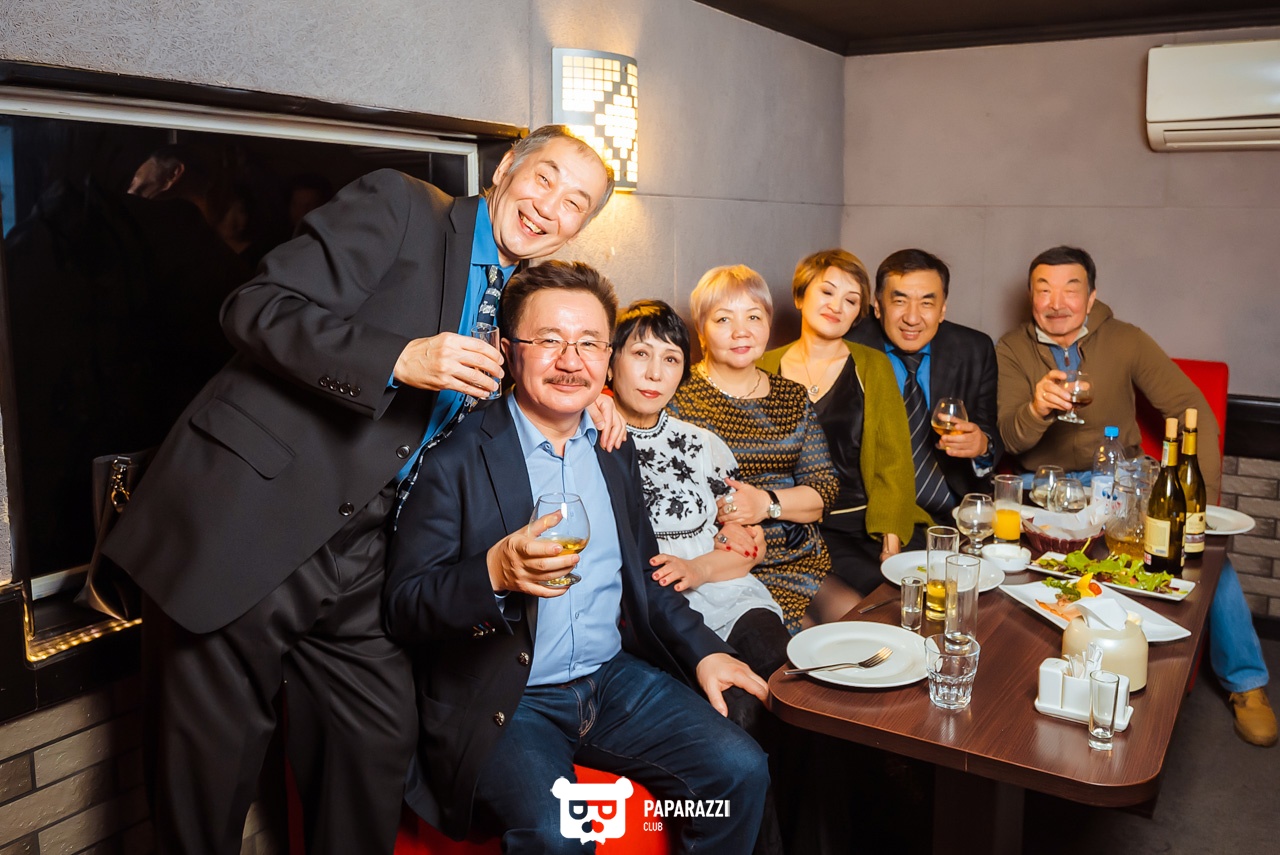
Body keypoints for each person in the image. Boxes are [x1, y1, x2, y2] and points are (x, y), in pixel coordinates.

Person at [102, 126, 620, 855]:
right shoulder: (401, 206)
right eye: (544, 179)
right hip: (250, 520)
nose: (549, 207)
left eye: (575, 204)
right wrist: (397, 358)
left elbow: (522, 385)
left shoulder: (516, 300)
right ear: (506, 167)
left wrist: (592, 400)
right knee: (205, 794)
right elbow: (256, 306)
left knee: (372, 753)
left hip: (369, 554)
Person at [385, 262, 770, 851]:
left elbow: (647, 573)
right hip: (509, 698)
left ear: (607, 357)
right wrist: (493, 573)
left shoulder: (613, 448)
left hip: (611, 680)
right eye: (549, 341)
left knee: (740, 770)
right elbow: (404, 606)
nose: (572, 361)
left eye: (589, 343)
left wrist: (704, 652)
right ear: (507, 350)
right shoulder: (455, 458)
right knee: (557, 833)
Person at [996, 244, 1275, 747]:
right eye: (1043, 290)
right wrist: (1036, 408)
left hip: (1120, 482)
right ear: (1031, 296)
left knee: (1201, 556)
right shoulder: (1011, 349)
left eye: (1071, 289)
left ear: (1091, 296)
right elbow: (1012, 440)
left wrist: (1198, 502)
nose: (1056, 303)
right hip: (1046, 488)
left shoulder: (1125, 339)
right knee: (1004, 555)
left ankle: (1247, 685)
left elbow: (1189, 406)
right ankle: (1018, 678)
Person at [668, 264, 858, 632]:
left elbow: (824, 489)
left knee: (862, 629)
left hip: (798, 555)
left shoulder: (791, 396)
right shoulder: (679, 397)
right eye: (723, 319)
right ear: (702, 329)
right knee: (800, 648)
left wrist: (765, 503)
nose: (741, 331)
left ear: (768, 323)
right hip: (726, 561)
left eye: (753, 316)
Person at [760, 249, 933, 595]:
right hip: (789, 522)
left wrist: (890, 542)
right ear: (800, 296)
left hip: (863, 521)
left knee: (903, 593)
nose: (836, 306)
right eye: (827, 292)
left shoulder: (873, 365)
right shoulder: (763, 365)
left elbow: (894, 461)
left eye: (851, 300)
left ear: (857, 314)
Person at [848, 248, 1003, 524]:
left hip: (954, 514)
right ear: (878, 306)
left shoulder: (974, 349)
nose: (912, 318)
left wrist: (982, 445)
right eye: (900, 301)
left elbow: (988, 430)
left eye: (927, 303)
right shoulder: (850, 348)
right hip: (872, 512)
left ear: (942, 309)